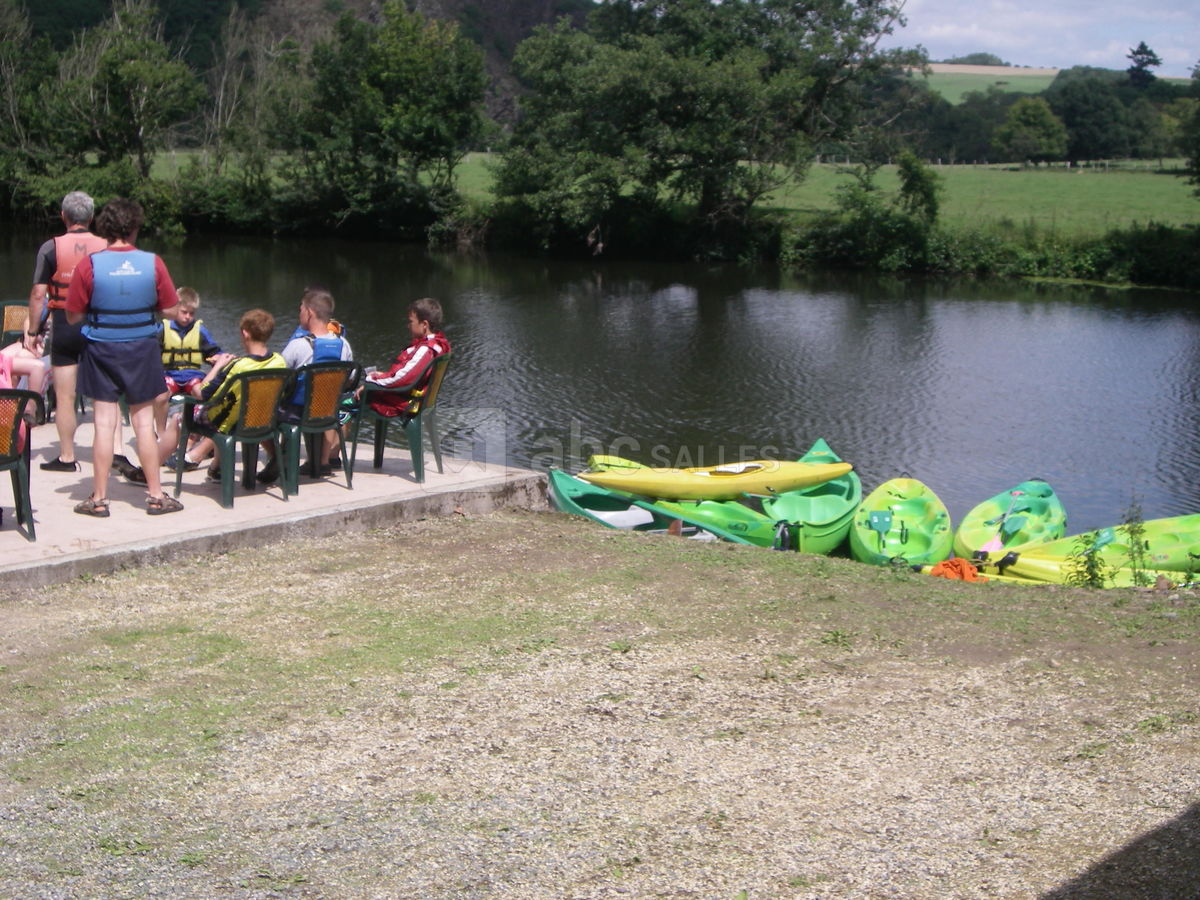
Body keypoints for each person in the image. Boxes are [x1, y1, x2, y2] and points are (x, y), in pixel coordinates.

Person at [65, 197, 183, 517]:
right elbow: (172, 309)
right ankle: (156, 496)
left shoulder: (89, 265)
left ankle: (99, 499)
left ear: (104, 228)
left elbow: (73, 316)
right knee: (143, 424)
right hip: (142, 349)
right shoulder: (153, 262)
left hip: (101, 349)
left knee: (104, 424)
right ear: (134, 228)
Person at [141, 309, 286, 484]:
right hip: (260, 419)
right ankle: (217, 469)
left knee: (179, 419)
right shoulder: (280, 361)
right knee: (224, 411)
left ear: (245, 333)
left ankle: (148, 471)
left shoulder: (238, 367)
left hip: (229, 424)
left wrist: (219, 366)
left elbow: (203, 393)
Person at [25, 191, 107, 472]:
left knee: (65, 397)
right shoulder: (106, 246)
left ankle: (68, 457)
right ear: (91, 217)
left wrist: (34, 330)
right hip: (98, 324)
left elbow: (38, 294)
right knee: (103, 395)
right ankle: (113, 453)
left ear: (64, 216)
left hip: (64, 323)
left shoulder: (50, 248)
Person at [257, 287, 353, 483]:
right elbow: (349, 380)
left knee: (258, 410)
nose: (299, 313)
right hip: (328, 413)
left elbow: (277, 377)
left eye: (300, 309)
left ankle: (278, 458)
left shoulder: (298, 345)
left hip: (297, 413)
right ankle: (303, 460)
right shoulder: (344, 344)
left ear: (309, 312)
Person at [361, 297, 451, 415]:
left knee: (346, 403)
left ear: (424, 324)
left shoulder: (425, 350)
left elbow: (403, 377)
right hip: (414, 399)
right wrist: (383, 375)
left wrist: (371, 380)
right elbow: (408, 374)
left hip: (406, 403)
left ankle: (338, 429)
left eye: (411, 322)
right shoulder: (437, 345)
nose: (408, 326)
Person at [156, 285, 221, 433]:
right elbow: (153, 353)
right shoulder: (163, 329)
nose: (188, 317)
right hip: (170, 374)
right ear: (175, 309)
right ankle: (160, 433)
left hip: (193, 376)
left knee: (201, 393)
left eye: (191, 313)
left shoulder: (200, 331)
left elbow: (213, 351)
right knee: (161, 396)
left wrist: (216, 357)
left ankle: (195, 428)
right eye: (184, 312)